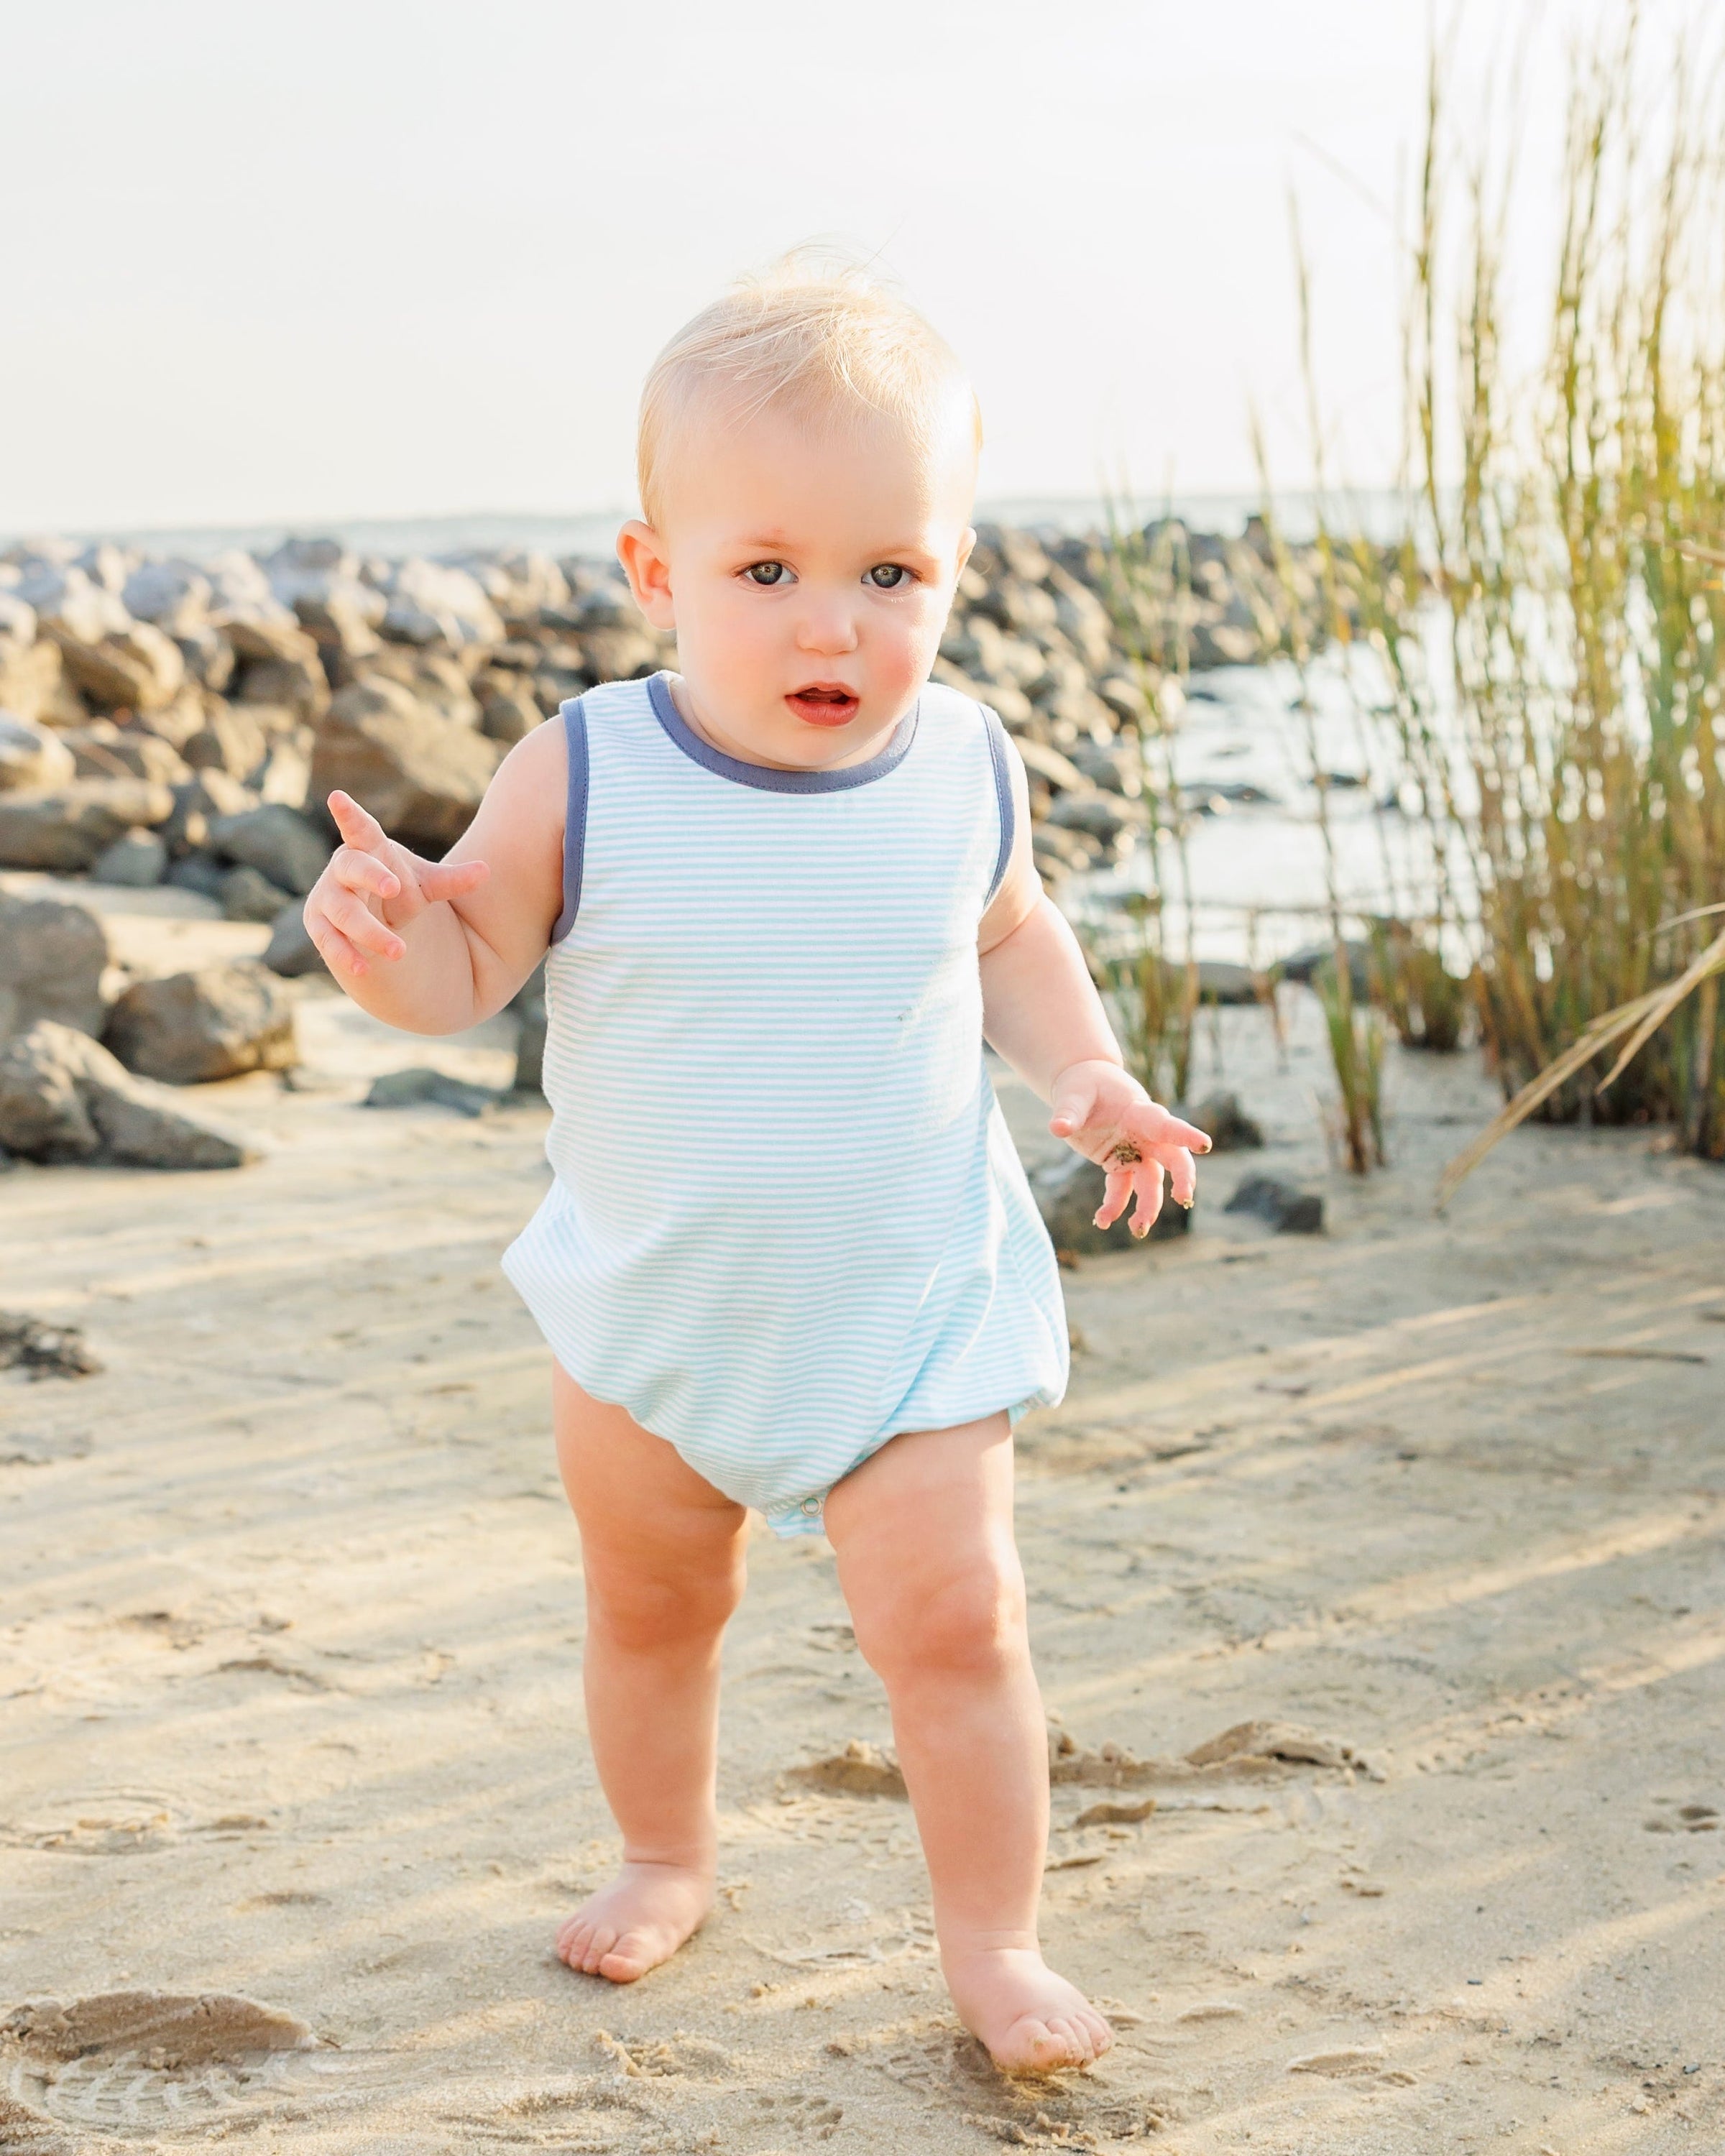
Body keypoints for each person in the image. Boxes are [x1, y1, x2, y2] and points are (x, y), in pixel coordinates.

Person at [301, 259, 1209, 2074]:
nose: (833, 627)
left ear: (954, 570)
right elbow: (470, 967)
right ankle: (664, 1851)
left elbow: (1011, 938)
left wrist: (1088, 1072)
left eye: (892, 575)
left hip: (906, 1313)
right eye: (767, 570)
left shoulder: (968, 763)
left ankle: (996, 1941)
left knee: (959, 1625)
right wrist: (390, 942)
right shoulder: (588, 770)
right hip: (657, 1312)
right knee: (655, 1609)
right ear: (658, 572)